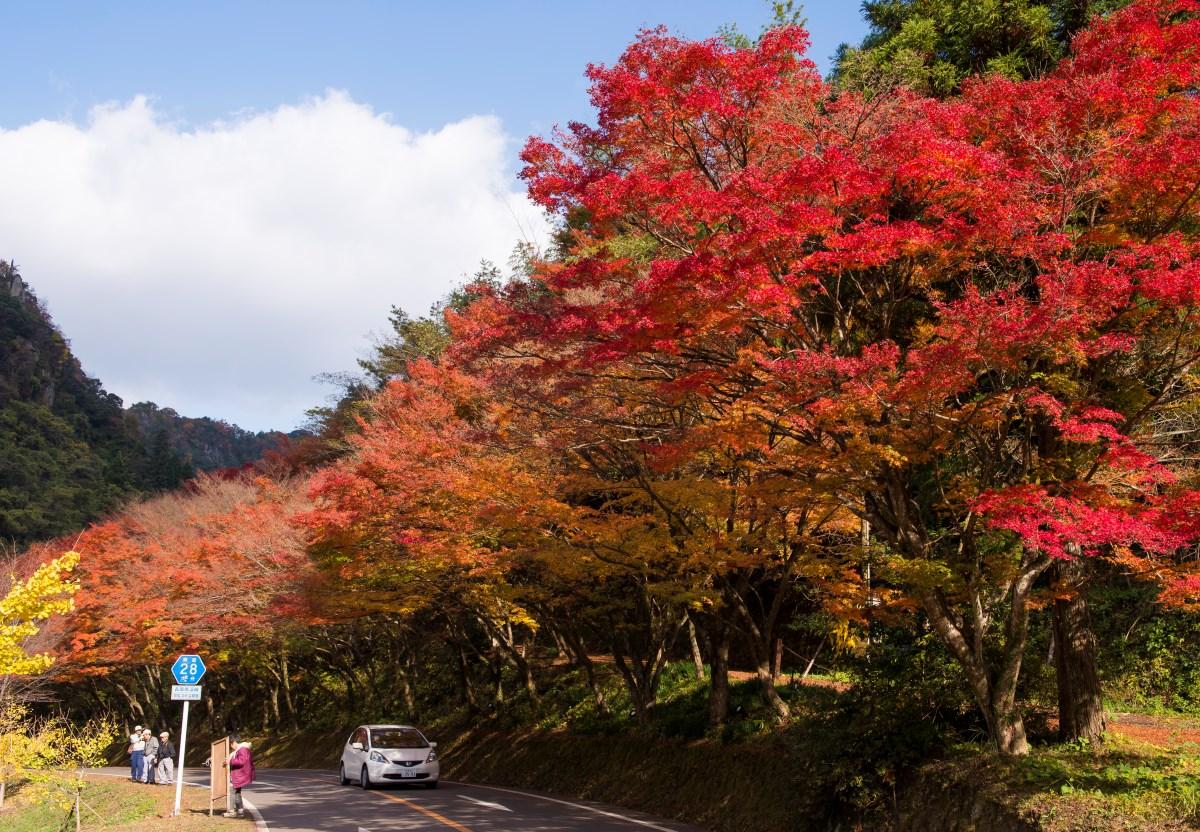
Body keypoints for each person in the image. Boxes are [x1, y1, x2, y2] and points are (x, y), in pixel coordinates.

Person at [224, 736, 255, 818]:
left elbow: (241, 761)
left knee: (231, 791)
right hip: (240, 774)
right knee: (237, 793)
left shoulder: (242, 749)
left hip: (239, 775)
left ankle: (231, 811)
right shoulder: (242, 749)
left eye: (231, 744)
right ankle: (240, 812)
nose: (231, 747)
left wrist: (230, 761)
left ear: (234, 742)